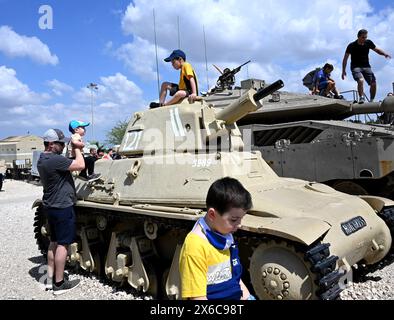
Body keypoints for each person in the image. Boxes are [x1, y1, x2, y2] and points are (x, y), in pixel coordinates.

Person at [179, 177, 255, 300]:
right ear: (212, 215)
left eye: (241, 219)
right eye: (234, 220)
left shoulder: (224, 235)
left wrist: (248, 297)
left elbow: (233, 277)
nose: (239, 224)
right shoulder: (195, 247)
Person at [37, 128, 85, 295]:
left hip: (50, 206)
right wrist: (77, 147)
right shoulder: (55, 160)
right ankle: (59, 284)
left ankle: (50, 280)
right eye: (60, 143)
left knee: (54, 242)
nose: (63, 145)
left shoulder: (43, 158)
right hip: (62, 207)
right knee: (63, 245)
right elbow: (80, 164)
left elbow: (65, 162)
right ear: (51, 144)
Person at [342, 29, 391, 104]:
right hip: (356, 67)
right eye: (363, 37)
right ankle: (361, 97)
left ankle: (371, 100)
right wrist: (343, 71)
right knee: (361, 80)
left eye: (365, 37)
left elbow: (377, 50)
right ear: (358, 37)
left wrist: (384, 54)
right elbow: (345, 59)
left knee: (373, 83)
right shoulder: (351, 46)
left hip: (366, 66)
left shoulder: (368, 43)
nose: (364, 39)